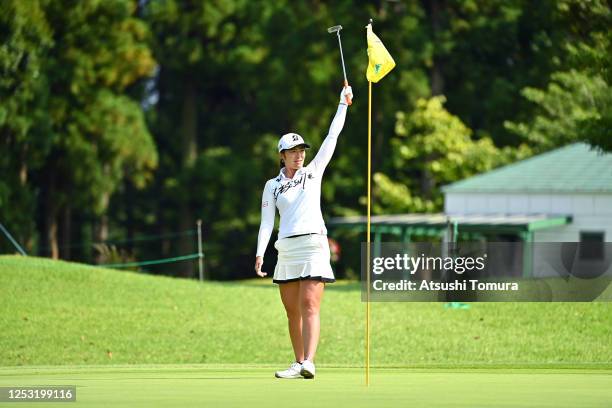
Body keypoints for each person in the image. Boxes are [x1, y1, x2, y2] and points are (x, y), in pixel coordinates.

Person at [255, 86, 353, 379]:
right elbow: (266, 222)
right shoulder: (272, 185)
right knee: (291, 311)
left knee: (310, 305)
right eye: (294, 151)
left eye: (301, 150)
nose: (299, 155)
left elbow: (332, 137)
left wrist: (343, 104)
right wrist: (261, 253)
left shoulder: (314, 171)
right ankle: (298, 363)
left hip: (313, 245)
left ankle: (310, 361)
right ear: (282, 155)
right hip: (286, 249)